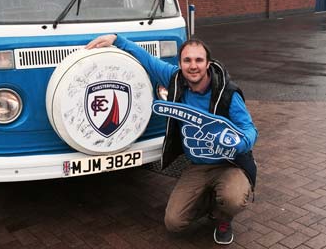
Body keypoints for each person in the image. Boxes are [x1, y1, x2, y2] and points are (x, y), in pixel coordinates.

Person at [86, 34, 257, 245]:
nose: (193, 66)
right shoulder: (175, 79)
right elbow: (148, 60)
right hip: (199, 165)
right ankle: (213, 203)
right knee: (174, 222)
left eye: (198, 60)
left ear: (208, 64)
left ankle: (223, 218)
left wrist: (240, 144)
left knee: (232, 199)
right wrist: (117, 39)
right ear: (180, 64)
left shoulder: (228, 94)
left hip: (230, 163)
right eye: (187, 60)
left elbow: (249, 129)